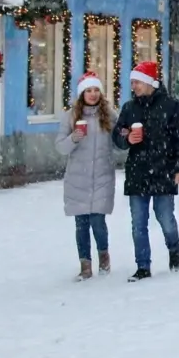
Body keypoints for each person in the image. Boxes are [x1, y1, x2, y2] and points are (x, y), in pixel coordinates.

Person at [112, 61, 179, 281]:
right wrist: (126, 138)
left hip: (164, 172)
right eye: (132, 82)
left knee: (166, 219)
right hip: (137, 173)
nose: (134, 86)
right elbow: (117, 136)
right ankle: (143, 266)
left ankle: (173, 249)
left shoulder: (172, 107)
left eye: (137, 82)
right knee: (138, 223)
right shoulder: (129, 108)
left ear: (149, 83)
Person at [55, 71, 118, 281]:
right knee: (81, 224)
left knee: (98, 221)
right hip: (77, 179)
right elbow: (60, 147)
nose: (92, 94)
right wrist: (74, 137)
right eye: (88, 90)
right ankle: (85, 266)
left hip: (102, 177)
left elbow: (120, 139)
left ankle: (104, 258)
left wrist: (127, 136)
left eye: (96, 90)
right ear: (82, 94)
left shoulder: (108, 115)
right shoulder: (72, 116)